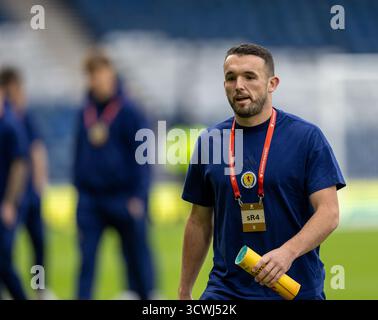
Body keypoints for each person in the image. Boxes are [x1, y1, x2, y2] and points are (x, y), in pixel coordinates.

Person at [179, 43, 345, 300]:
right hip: (225, 292)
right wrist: (184, 291)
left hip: (294, 290)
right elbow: (198, 221)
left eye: (249, 76)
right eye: (230, 78)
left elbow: (329, 213)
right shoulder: (210, 142)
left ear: (272, 83)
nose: (239, 86)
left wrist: (287, 253)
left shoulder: (306, 138)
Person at [73, 50, 156, 300]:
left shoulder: (130, 111)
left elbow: (143, 158)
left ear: (111, 74)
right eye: (92, 75)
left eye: (101, 74)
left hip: (124, 198)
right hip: (91, 200)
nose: (97, 80)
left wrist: (139, 197)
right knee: (86, 261)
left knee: (137, 260)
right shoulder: (84, 111)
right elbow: (77, 154)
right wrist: (79, 193)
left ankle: (148, 300)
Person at [0, 67, 49, 300]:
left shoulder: (21, 118)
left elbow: (34, 153)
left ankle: (39, 289)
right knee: (7, 249)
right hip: (16, 197)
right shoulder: (11, 118)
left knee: (37, 243)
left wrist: (39, 186)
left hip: (26, 195)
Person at [0, 79, 28, 300]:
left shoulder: (10, 124)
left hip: (6, 204)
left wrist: (9, 202)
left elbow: (20, 165)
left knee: (4, 260)